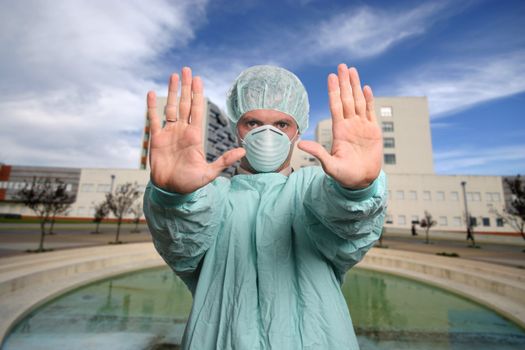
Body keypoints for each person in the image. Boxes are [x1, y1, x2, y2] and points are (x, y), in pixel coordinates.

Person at [143, 64, 387, 349]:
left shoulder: (311, 189)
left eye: (282, 124)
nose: (267, 133)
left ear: (298, 132)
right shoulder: (211, 197)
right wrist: (173, 198)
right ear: (237, 129)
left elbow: (346, 227)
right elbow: (181, 243)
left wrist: (357, 192)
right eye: (253, 123)